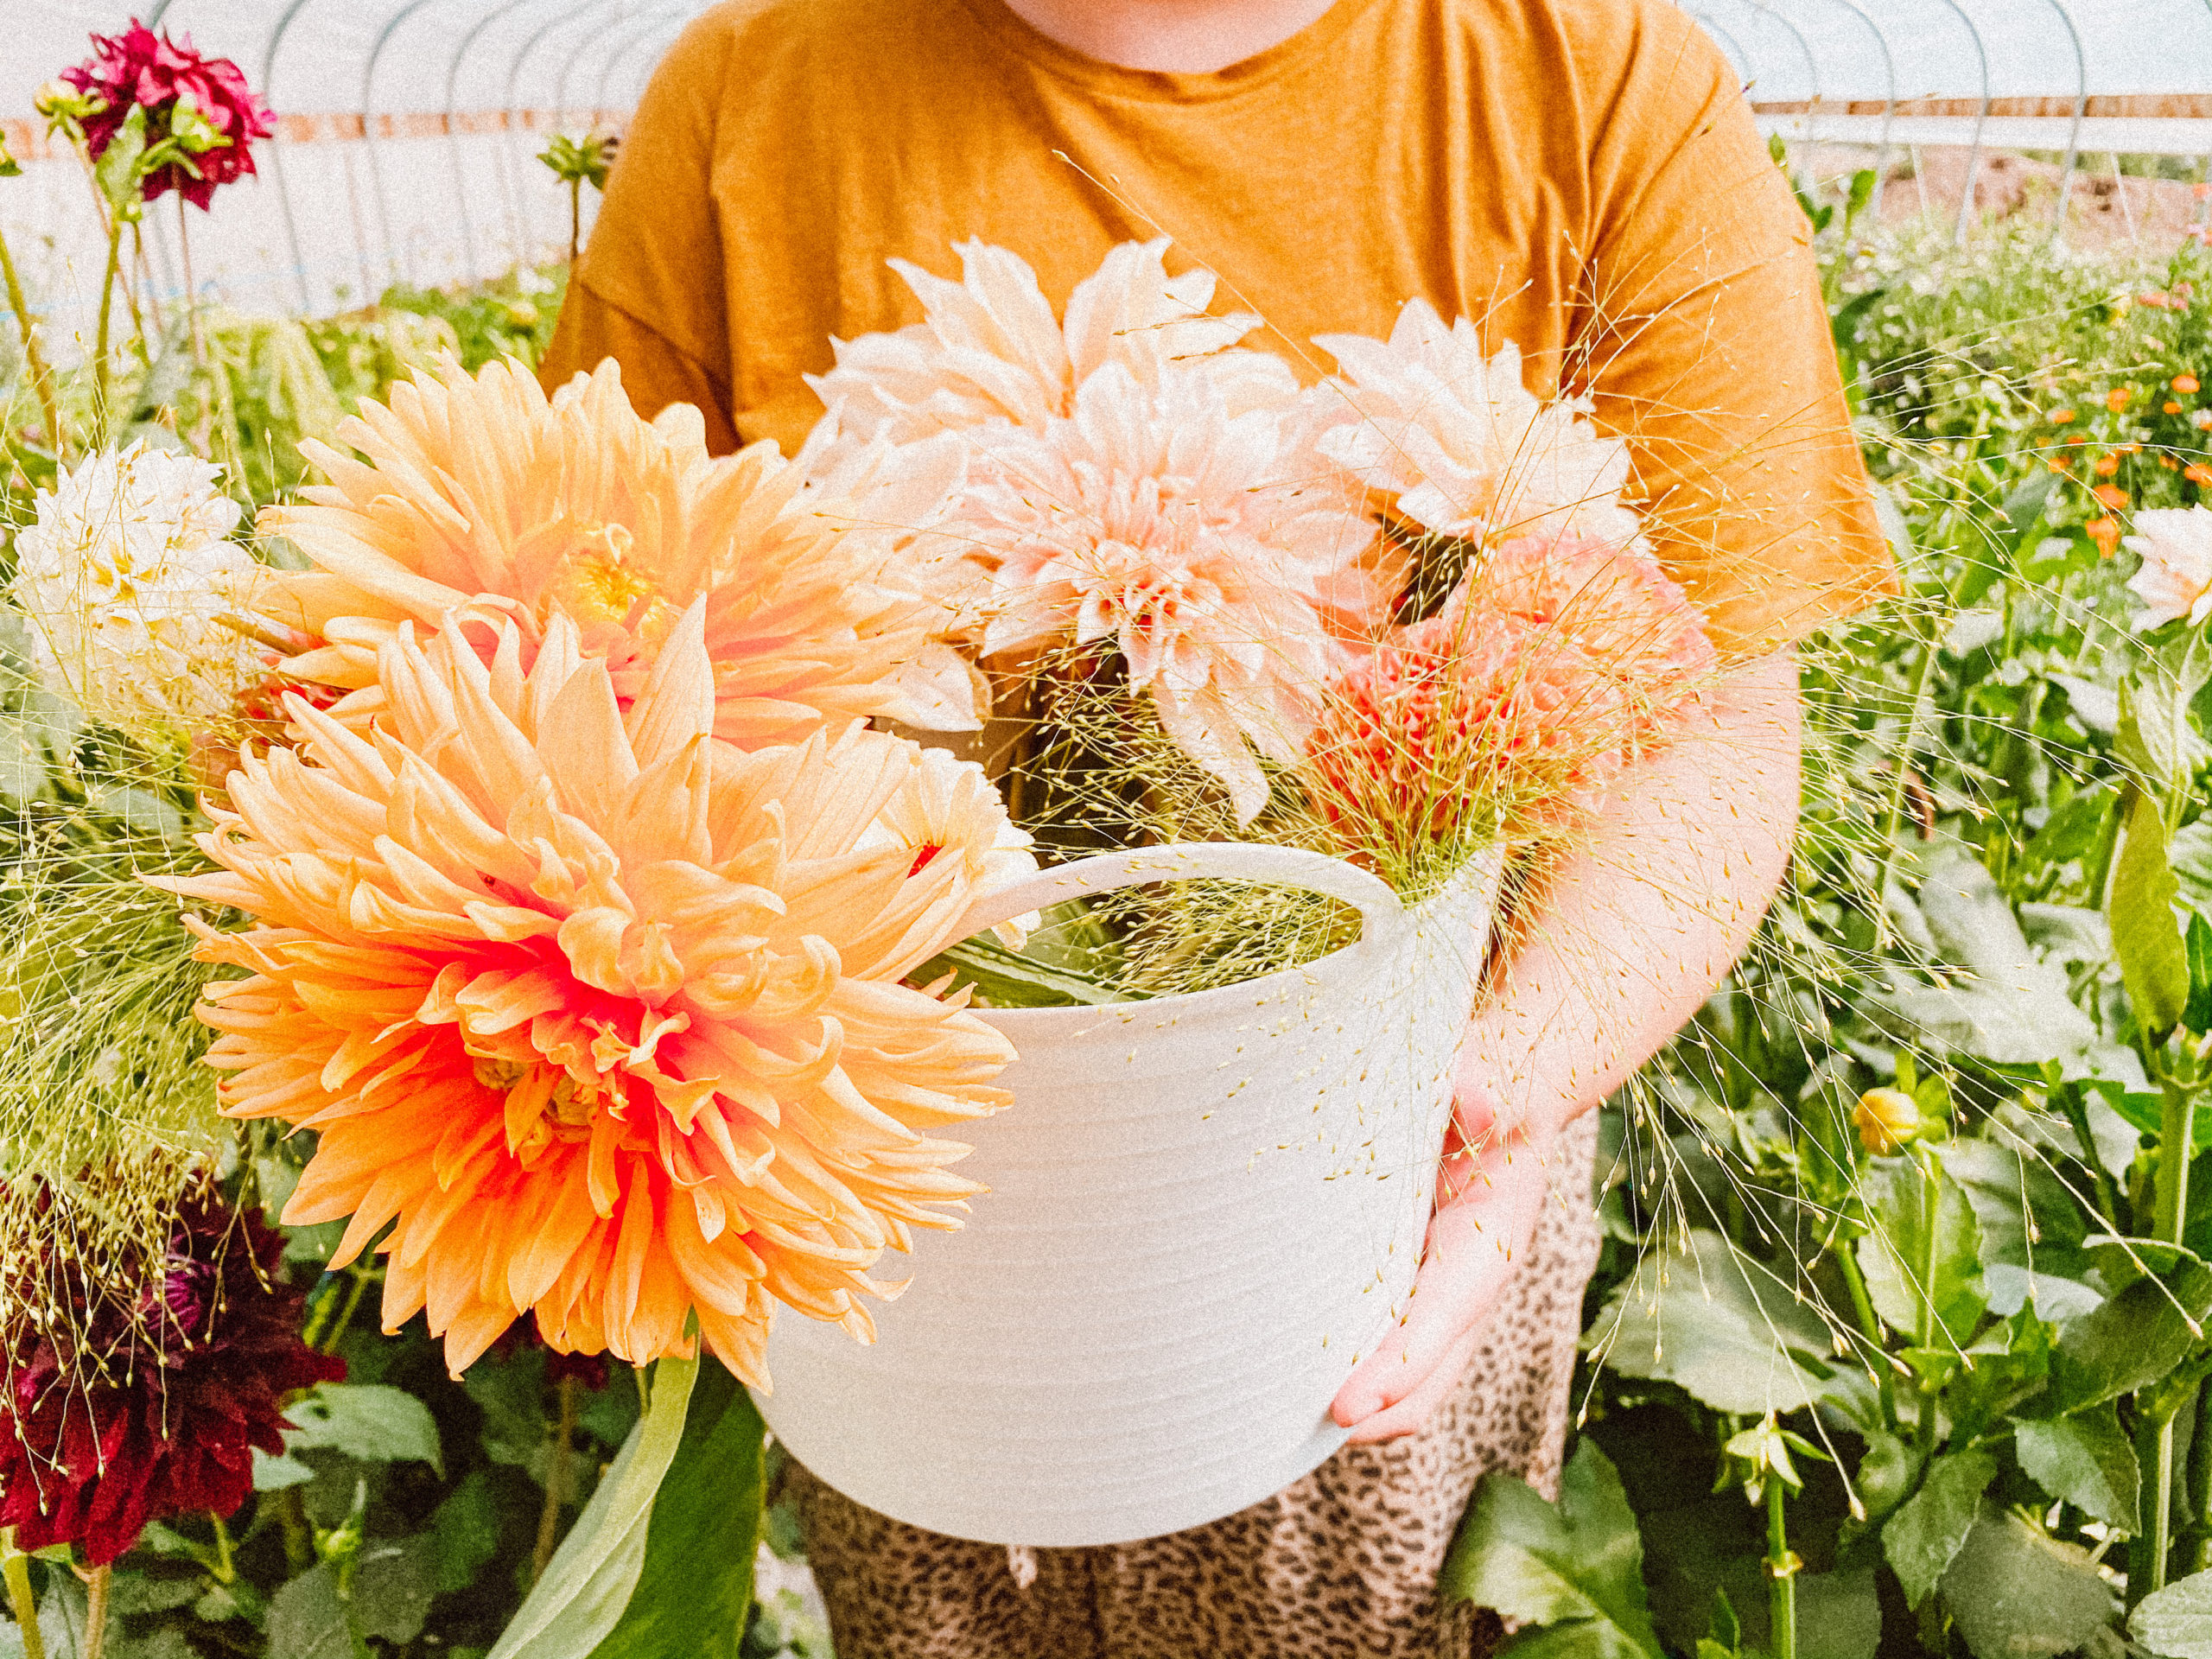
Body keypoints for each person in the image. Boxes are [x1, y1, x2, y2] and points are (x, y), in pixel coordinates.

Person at [539, 0, 1894, 1651]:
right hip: (898, 1216)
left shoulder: (1597, 78)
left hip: (1374, 1190)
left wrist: (1514, 1078)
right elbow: (579, 655)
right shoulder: (753, 92)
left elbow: (1719, 718)